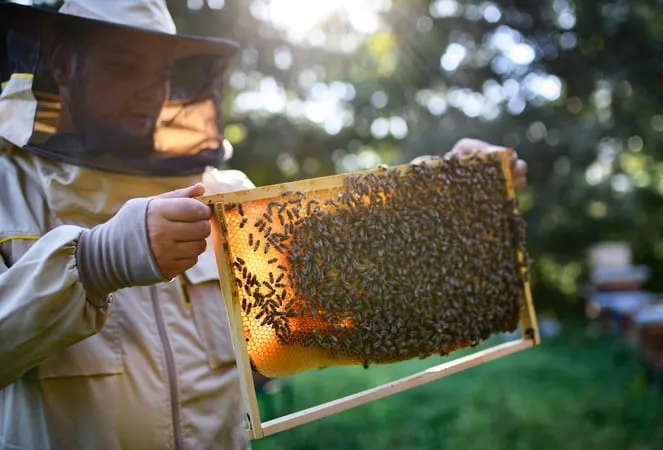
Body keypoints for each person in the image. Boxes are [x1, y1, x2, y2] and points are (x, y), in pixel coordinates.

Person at [0, 1, 528, 449]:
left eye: (161, 73)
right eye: (124, 67)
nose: (149, 92)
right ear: (65, 64)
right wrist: (92, 264)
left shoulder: (227, 194)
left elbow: (331, 284)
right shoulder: (7, 190)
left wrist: (445, 194)